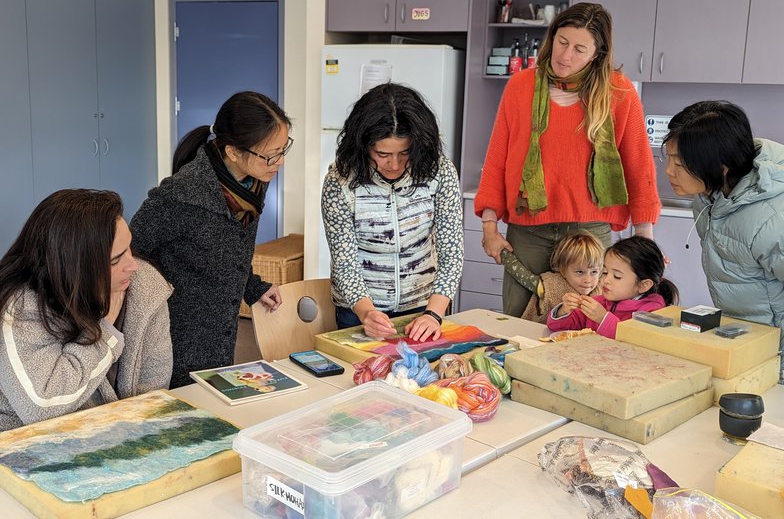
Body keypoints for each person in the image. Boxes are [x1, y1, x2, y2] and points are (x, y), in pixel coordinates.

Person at [475, 2, 661, 317]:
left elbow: (639, 167)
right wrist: (489, 228)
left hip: (590, 232)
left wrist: (645, 243)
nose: (565, 55)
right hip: (529, 231)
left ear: (597, 54)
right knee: (521, 321)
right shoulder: (520, 87)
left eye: (579, 49)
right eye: (562, 42)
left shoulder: (619, 92)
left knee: (586, 323)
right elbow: (498, 159)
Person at [130, 91, 291, 388]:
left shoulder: (253, 183)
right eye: (271, 154)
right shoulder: (180, 196)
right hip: (178, 330)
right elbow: (129, 254)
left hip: (221, 328)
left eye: (283, 149)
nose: (279, 162)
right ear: (232, 152)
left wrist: (253, 286)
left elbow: (234, 250)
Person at [0, 190, 172, 431]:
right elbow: (41, 407)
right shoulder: (22, 307)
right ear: (74, 266)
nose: (133, 265)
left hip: (111, 438)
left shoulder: (146, 288)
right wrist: (105, 330)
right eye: (116, 260)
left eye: (129, 247)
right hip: (25, 446)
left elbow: (153, 392)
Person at [663, 100, 784, 386]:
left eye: (680, 163)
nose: (668, 171)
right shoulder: (709, 197)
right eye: (668, 159)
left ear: (721, 165)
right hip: (749, 351)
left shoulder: (779, 219)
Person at [322, 83, 463, 343]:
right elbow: (345, 262)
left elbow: (451, 251)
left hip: (424, 308)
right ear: (363, 146)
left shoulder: (440, 172)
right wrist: (367, 314)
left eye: (405, 153)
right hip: (359, 310)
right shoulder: (340, 181)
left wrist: (434, 313)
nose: (395, 165)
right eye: (383, 154)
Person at [547, 235, 677, 339]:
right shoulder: (600, 302)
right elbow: (555, 327)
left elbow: (636, 340)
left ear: (643, 285)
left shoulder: (653, 312)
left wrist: (603, 318)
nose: (606, 280)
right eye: (605, 272)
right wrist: (563, 311)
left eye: (617, 276)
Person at [501, 232, 605, 323]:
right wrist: (502, 251)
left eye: (594, 272)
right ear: (563, 270)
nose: (588, 280)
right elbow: (523, 276)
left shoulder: (601, 289)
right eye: (580, 272)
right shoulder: (551, 286)